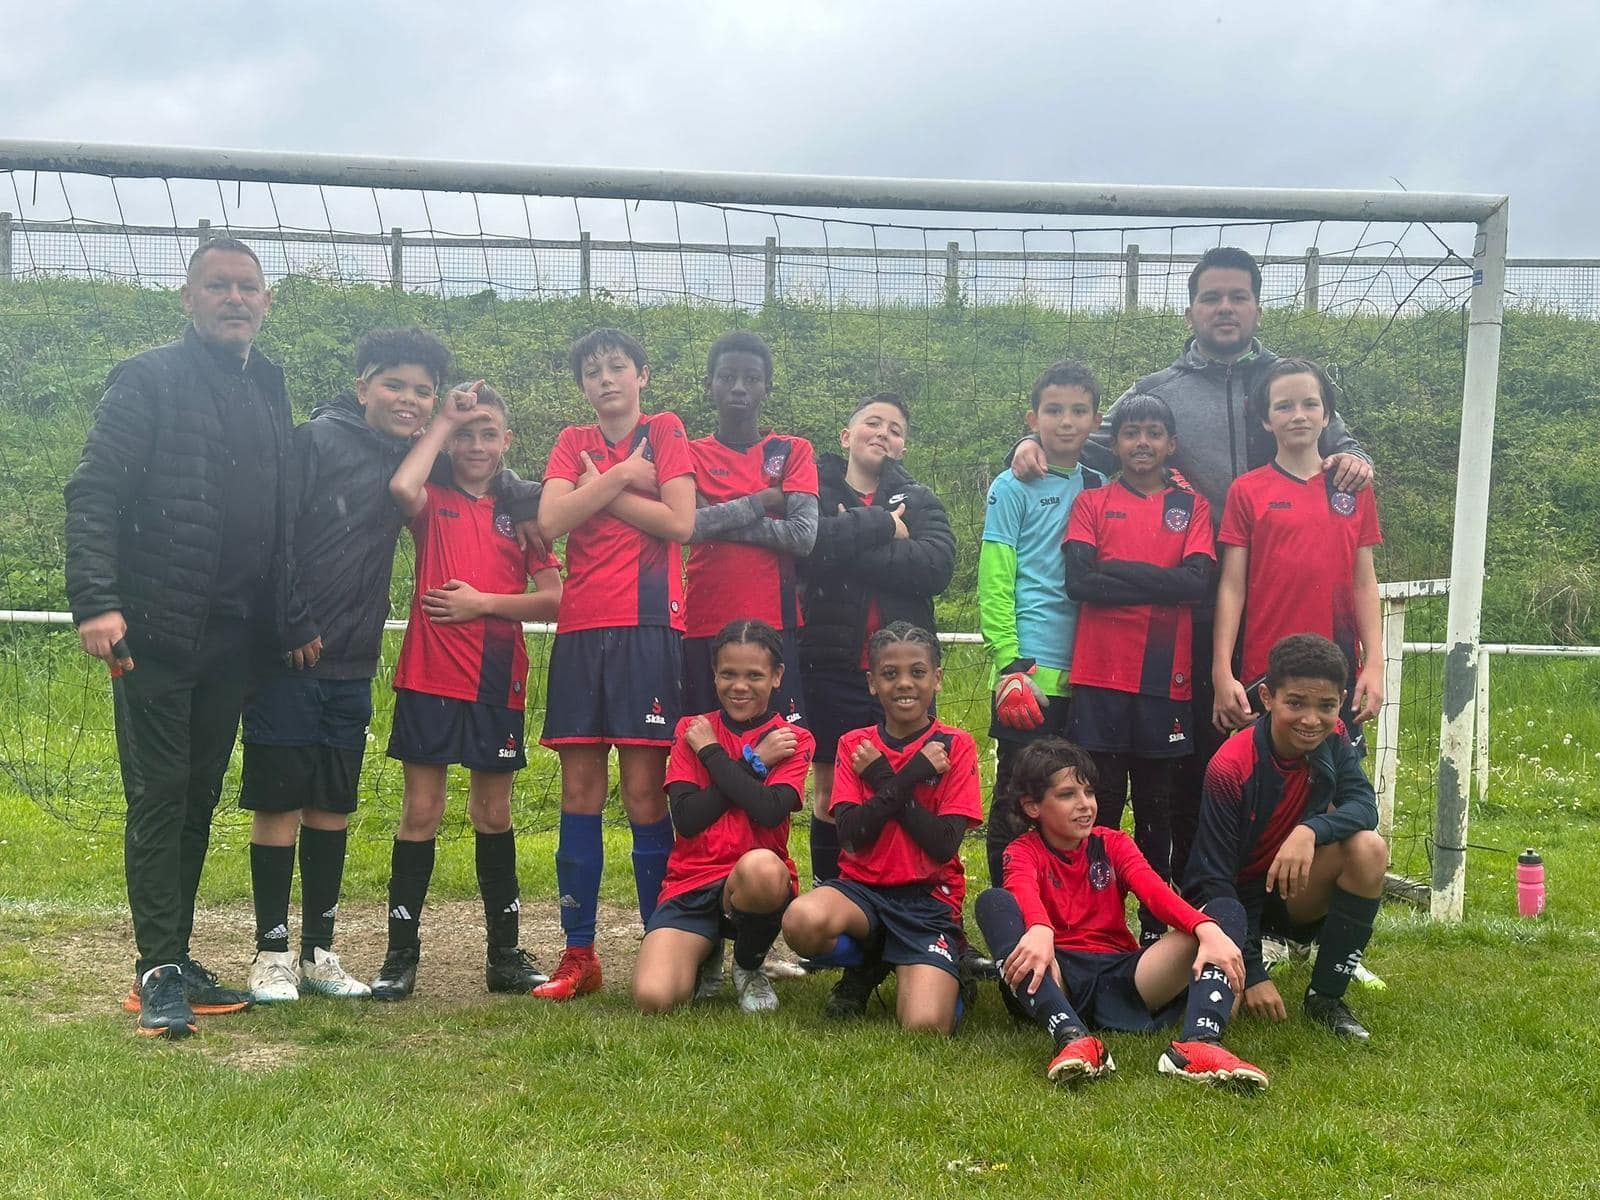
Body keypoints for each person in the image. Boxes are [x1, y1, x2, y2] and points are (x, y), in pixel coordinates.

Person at [1008, 247, 1374, 887]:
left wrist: (1359, 456)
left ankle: (1287, 907)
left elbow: (1333, 441)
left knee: (1305, 757)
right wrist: (1033, 443)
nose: (1225, 308)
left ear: (1257, 307)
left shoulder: (1288, 383)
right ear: (1191, 309)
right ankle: (1201, 904)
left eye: (1237, 296)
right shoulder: (1155, 391)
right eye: (1212, 297)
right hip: (1195, 609)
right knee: (1201, 767)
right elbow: (1093, 437)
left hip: (1284, 603)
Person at [65, 236, 307, 1038]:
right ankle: (158, 970)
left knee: (199, 796)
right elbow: (94, 492)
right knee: (160, 795)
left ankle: (174, 954)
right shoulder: (148, 379)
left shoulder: (269, 386)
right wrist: (95, 603)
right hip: (157, 631)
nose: (234, 299)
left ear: (267, 301)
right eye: (218, 286)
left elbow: (282, 517)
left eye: (247, 287)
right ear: (188, 298)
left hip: (236, 638)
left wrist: (292, 617)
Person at [370, 382, 562, 1000]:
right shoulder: (432, 497)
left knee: (492, 813)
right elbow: (401, 487)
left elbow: (555, 597)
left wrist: (484, 604)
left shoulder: (524, 513)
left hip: (496, 680)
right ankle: (401, 957)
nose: (475, 445)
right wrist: (442, 419)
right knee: (421, 812)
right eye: (463, 433)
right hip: (428, 676)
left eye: (487, 433)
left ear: (506, 441)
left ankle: (504, 955)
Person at [535, 328, 696, 1000]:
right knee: (579, 794)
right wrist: (627, 479)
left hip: (648, 629)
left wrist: (605, 484)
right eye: (593, 370)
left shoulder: (664, 430)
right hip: (581, 631)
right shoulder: (573, 440)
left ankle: (665, 951)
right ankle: (581, 956)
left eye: (617, 367)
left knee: (641, 793)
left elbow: (681, 523)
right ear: (582, 385)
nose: (606, 379)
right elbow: (549, 522)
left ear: (642, 375)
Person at [974, 737, 1265, 1088]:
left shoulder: (1112, 842)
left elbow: (1155, 893)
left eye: (1089, 793)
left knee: (1225, 911)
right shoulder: (1022, 850)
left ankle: (1199, 1043)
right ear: (1033, 806)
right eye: (1068, 795)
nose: (1085, 805)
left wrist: (1206, 928)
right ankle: (1071, 1036)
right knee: (993, 903)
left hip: (1124, 975)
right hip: (1058, 974)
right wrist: (1040, 928)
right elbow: (1022, 890)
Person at [796, 395, 955, 1016]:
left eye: (895, 428)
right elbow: (810, 546)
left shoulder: (920, 499)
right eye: (872, 423)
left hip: (898, 675)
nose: (882, 434)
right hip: (831, 666)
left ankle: (900, 912)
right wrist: (883, 529)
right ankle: (835, 926)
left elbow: (935, 567)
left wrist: (851, 539)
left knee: (898, 787)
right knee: (833, 792)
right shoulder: (816, 483)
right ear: (848, 432)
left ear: (903, 445)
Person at [1184, 633, 1389, 1041]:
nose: (1311, 720)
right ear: (1267, 698)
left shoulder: (1335, 739)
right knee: (1210, 1004)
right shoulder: (1230, 765)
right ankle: (1249, 959)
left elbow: (1365, 806)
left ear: (1340, 701)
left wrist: (1309, 831)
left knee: (1369, 848)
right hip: (1225, 905)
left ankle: (1325, 998)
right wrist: (1253, 972)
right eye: (1295, 703)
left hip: (1286, 891)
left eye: (1326, 706)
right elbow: (1215, 878)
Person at [1062, 394, 1214, 939]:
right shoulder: (1092, 502)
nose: (1142, 442)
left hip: (1162, 678)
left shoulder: (1190, 507)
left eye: (1153, 432)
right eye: (1131, 433)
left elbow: (1196, 584)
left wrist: (1118, 572)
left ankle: (1154, 923)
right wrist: (1158, 583)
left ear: (1171, 443)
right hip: (1098, 677)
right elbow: (1080, 582)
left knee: (1157, 809)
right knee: (1098, 805)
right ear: (1116, 443)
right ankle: (1097, 922)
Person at [781, 622, 981, 1035]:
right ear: (872, 683)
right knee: (800, 920)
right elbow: (852, 836)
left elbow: (943, 846)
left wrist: (885, 779)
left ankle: (947, 964)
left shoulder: (955, 744)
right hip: (863, 892)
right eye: (890, 674)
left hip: (927, 898)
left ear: (937, 679)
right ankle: (868, 962)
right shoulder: (856, 744)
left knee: (925, 1024)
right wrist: (912, 775)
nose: (904, 683)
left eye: (917, 672)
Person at [633, 620, 815, 1015]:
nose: (740, 686)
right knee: (655, 999)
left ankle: (749, 966)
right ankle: (706, 948)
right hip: (692, 881)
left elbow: (767, 811)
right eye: (728, 674)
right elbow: (689, 818)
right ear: (714, 674)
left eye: (754, 675)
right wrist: (753, 764)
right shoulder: (693, 730)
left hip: (753, 884)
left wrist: (719, 756)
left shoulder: (792, 739)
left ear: (778, 677)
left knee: (764, 870)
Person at [1212, 358, 1383, 749]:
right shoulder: (1247, 490)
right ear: (1266, 420)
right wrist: (1223, 671)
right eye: (1284, 406)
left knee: (1335, 796)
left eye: (1310, 404)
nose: (1298, 415)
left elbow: (1363, 582)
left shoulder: (1351, 487)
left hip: (1336, 673)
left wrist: (1374, 665)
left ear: (1327, 416)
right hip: (1266, 674)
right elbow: (1232, 586)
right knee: (1266, 799)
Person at [979, 360, 1106, 886]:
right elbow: (996, 574)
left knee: (1077, 802)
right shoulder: (1011, 486)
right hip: (1027, 674)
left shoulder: (1101, 485)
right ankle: (1009, 918)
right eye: (1054, 410)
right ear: (1032, 417)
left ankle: (1067, 915)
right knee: (1017, 801)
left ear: (1096, 421)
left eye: (1079, 410)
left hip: (1093, 674)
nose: (1066, 421)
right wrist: (1008, 659)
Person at [683, 331, 818, 721]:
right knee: (701, 745)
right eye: (727, 377)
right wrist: (761, 502)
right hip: (704, 622)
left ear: (767, 387)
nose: (738, 388)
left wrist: (718, 517)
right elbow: (687, 527)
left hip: (775, 623)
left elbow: (802, 536)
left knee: (779, 747)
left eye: (751, 378)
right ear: (709, 384)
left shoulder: (792, 450)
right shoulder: (689, 453)